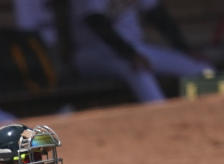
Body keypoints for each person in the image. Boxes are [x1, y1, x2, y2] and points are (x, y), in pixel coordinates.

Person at [68, 0, 213, 102]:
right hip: (93, 53)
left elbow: (157, 14)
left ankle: (211, 116)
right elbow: (96, 23)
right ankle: (163, 121)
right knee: (139, 72)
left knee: (200, 68)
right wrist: (130, 55)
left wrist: (185, 49)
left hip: (136, 49)